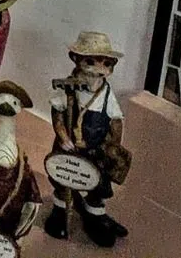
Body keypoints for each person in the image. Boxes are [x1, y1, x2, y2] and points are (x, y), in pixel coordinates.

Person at [46, 31, 132, 248]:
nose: (98, 69)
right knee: (63, 179)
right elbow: (57, 114)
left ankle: (95, 217)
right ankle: (59, 213)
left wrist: (112, 145)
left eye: (106, 63)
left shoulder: (105, 94)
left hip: (95, 149)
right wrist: (63, 136)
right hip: (69, 148)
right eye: (91, 62)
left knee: (96, 185)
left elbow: (116, 120)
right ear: (76, 59)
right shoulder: (67, 89)